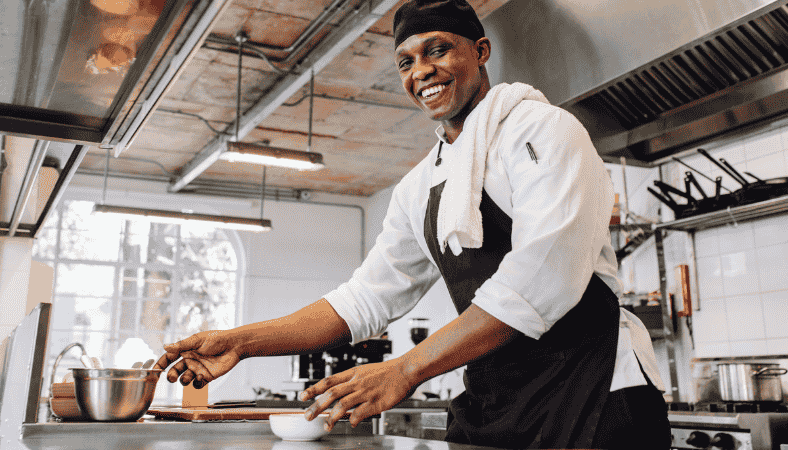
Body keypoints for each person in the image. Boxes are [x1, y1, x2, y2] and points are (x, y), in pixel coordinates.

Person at [155, 0, 672, 448]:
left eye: (438, 50)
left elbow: (544, 277)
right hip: (501, 394)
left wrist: (405, 370)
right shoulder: (420, 185)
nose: (420, 71)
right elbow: (365, 299)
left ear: (481, 51)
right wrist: (243, 342)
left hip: (596, 387)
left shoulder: (541, 130)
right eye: (406, 61)